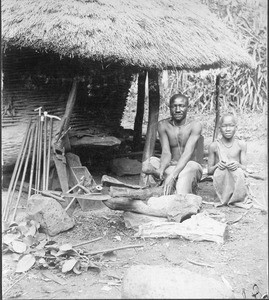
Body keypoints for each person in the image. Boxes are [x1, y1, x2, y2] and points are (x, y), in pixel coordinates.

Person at [142, 93, 203, 195]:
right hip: (170, 166)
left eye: (182, 106)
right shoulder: (163, 125)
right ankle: (159, 190)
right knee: (151, 162)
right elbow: (166, 152)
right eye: (174, 106)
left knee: (191, 167)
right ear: (169, 107)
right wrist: (161, 169)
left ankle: (179, 193)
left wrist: (173, 175)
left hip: (188, 167)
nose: (178, 110)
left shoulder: (195, 126)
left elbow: (187, 153)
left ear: (188, 107)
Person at [207, 113, 250, 207]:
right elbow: (209, 171)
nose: (228, 129)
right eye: (224, 126)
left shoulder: (241, 144)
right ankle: (224, 197)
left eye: (231, 125)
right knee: (221, 170)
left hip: (237, 183)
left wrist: (238, 165)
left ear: (236, 127)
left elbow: (245, 168)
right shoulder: (214, 146)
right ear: (219, 128)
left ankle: (236, 197)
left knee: (238, 171)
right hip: (221, 183)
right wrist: (217, 166)